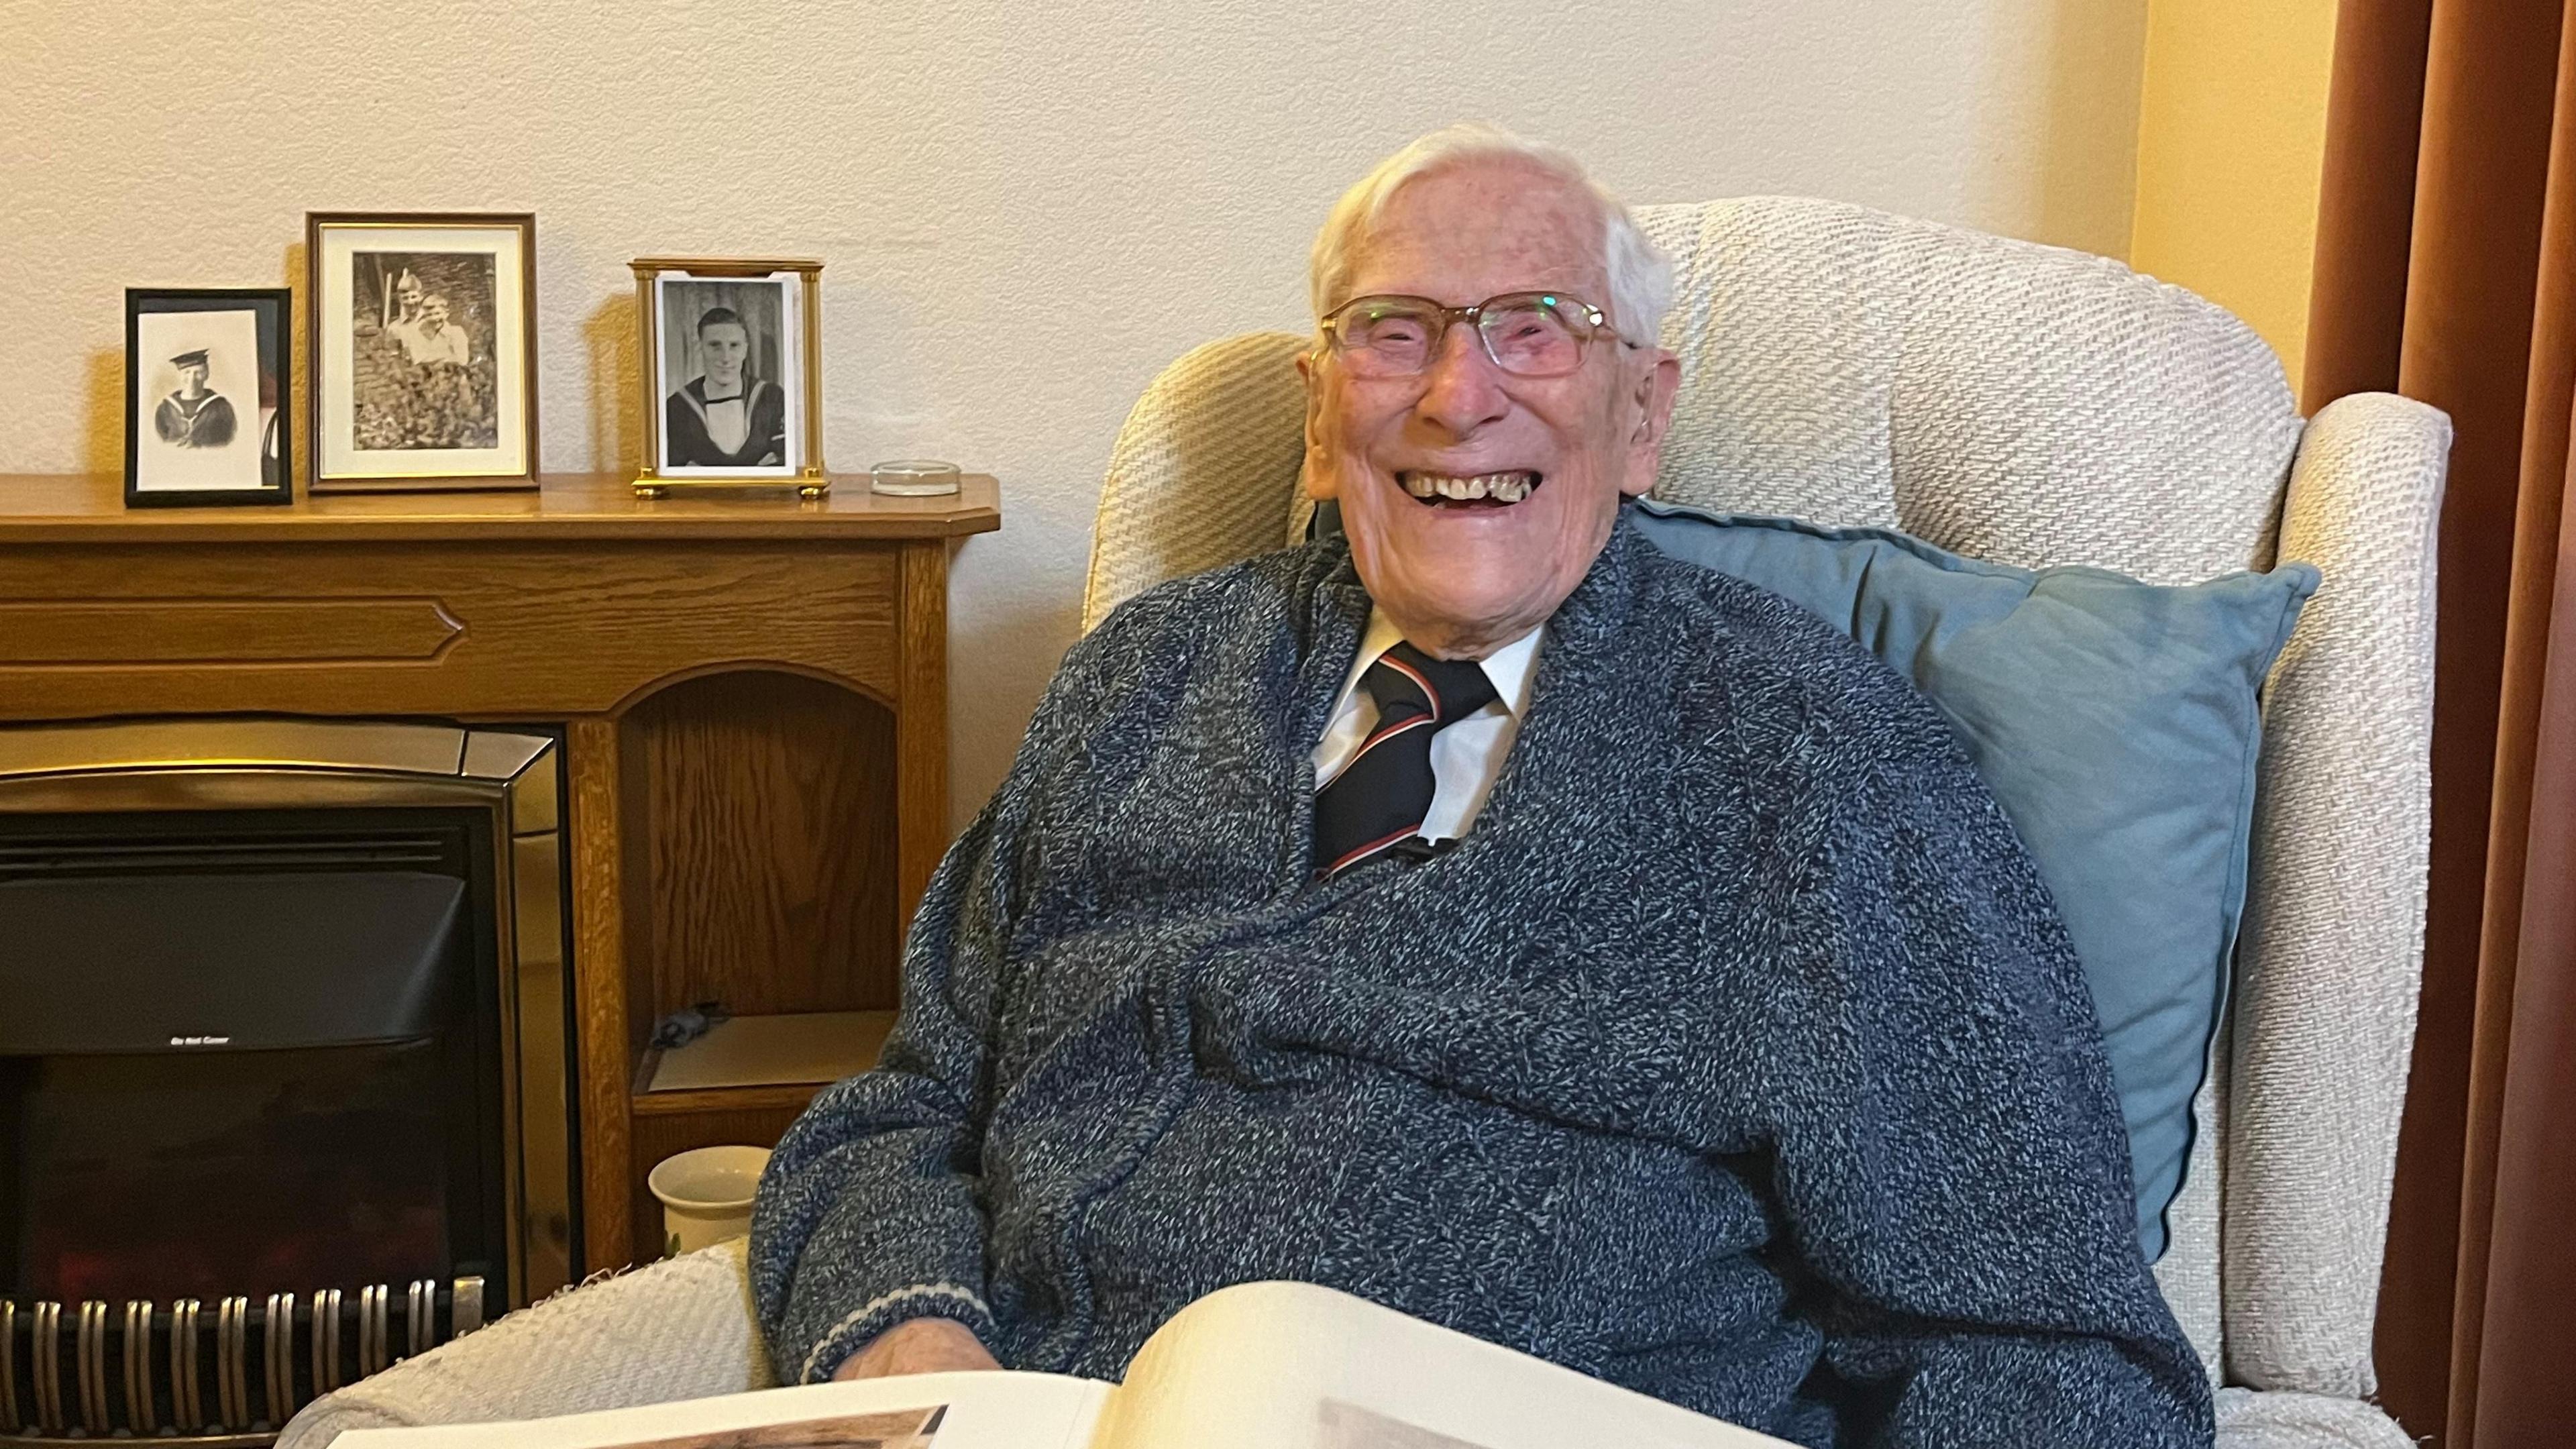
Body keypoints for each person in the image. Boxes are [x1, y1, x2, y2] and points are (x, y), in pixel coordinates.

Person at [751, 125, 2210, 1448]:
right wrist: (908, 1343)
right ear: (1321, 419)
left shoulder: (1821, 765)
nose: (1462, 398)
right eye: (1397, 334)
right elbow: (906, 1105)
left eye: (1537, 332)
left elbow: (2046, 1340)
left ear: (1644, 416)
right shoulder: (1140, 680)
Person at [663, 306, 786, 467]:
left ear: (745, 350)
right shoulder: (678, 407)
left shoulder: (772, 398)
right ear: (701, 349)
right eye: (715, 346)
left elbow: (783, 462)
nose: (726, 358)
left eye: (734, 346)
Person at [154, 347, 235, 448]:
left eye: (198, 373)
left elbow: (228, 440)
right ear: (180, 376)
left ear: (206, 375)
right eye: (187, 372)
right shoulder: (165, 409)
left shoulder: (221, 407)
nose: (192, 379)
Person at [391, 293, 471, 368]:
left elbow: (462, 360)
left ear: (446, 314)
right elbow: (417, 360)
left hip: (451, 376)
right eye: (429, 315)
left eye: (437, 314)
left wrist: (437, 360)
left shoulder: (456, 332)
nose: (434, 319)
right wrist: (447, 358)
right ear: (424, 316)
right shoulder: (414, 333)